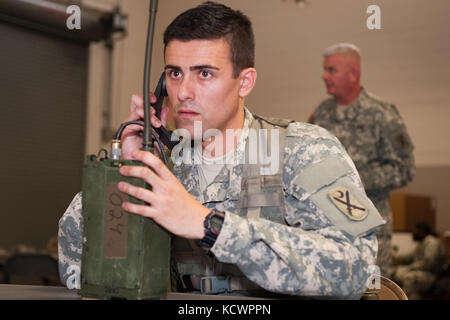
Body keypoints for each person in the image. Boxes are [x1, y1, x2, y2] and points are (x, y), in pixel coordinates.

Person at [58, 2, 385, 299]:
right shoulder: (167, 162)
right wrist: (127, 171)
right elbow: (76, 268)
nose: (183, 92)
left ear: (244, 82)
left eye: (204, 73)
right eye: (174, 73)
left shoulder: (299, 150)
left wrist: (210, 225)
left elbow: (357, 269)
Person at [309, 43, 415, 277]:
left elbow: (405, 169)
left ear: (353, 74)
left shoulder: (382, 114)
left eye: (331, 70)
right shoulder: (321, 114)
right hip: (329, 229)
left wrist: (351, 180)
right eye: (325, 70)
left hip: (370, 230)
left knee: (373, 290)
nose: (324, 76)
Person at [393, 222, 447, 299]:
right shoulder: (423, 242)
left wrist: (410, 268)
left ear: (421, 231)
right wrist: (393, 258)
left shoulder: (432, 243)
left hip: (432, 276)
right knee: (395, 274)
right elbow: (409, 257)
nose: (413, 232)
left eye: (415, 230)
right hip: (422, 272)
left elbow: (428, 263)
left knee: (410, 278)